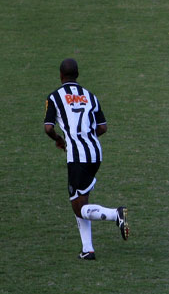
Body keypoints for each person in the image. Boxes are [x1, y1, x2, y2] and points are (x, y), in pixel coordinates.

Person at [44, 58, 129, 260]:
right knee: (81, 199)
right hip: (95, 152)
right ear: (77, 75)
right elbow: (103, 127)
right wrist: (87, 136)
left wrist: (59, 139)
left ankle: (115, 215)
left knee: (79, 207)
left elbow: (48, 128)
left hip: (77, 156)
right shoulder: (90, 96)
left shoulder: (55, 97)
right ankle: (87, 249)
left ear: (60, 76)